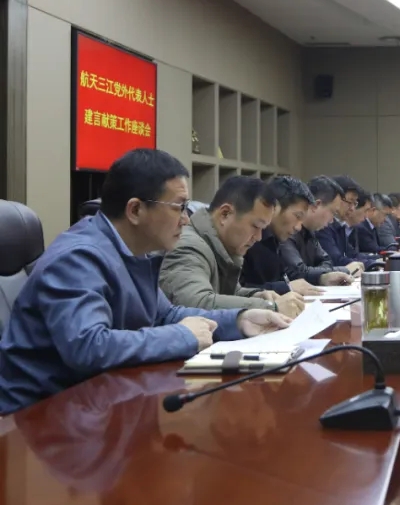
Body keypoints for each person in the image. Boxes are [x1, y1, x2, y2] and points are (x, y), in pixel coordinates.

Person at [0, 149, 291, 413]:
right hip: (35, 418)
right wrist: (183, 336)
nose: (186, 220)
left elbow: (166, 315)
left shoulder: (135, 251)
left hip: (93, 403)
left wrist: (239, 320)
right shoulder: (77, 258)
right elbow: (88, 346)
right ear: (136, 210)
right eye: (179, 207)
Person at [159, 176, 306, 318]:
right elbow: (196, 303)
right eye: (256, 226)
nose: (259, 237)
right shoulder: (188, 247)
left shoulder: (220, 246)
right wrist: (270, 307)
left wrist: (257, 295)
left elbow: (227, 294)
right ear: (225, 214)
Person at [240, 175, 340, 293]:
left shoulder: (276, 239)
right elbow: (235, 291)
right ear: (275, 207)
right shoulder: (249, 237)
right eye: (297, 216)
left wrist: (320, 278)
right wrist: (286, 288)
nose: (298, 227)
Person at [279, 176, 354, 284]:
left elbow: (327, 261)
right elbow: (298, 272)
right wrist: (343, 270)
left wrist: (318, 273)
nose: (332, 220)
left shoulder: (310, 231)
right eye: (333, 212)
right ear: (316, 205)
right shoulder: (288, 229)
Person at [314, 175, 367, 273]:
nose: (352, 208)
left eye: (355, 203)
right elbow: (335, 260)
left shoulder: (340, 225)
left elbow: (352, 255)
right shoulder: (321, 226)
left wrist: (376, 262)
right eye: (350, 202)